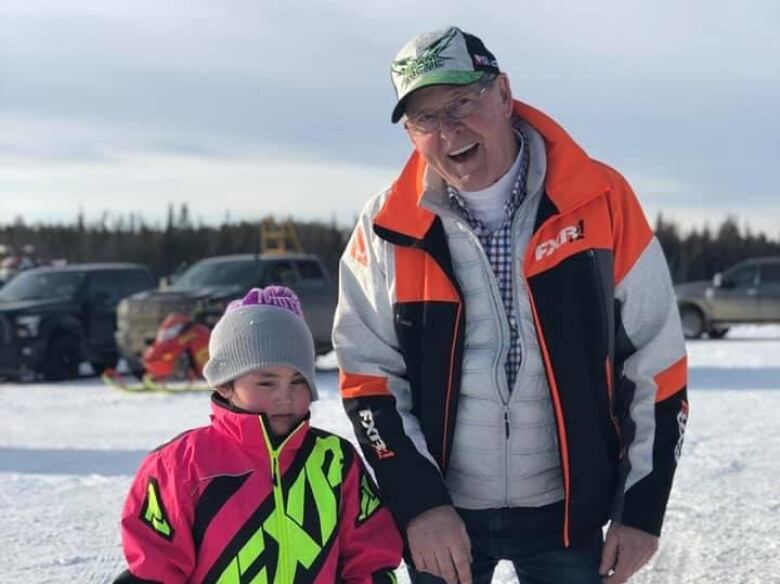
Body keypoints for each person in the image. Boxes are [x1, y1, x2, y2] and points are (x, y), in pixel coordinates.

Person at [333, 26, 688, 584]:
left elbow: (656, 363)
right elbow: (368, 379)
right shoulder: (386, 227)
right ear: (409, 133)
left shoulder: (599, 200)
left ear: (502, 94)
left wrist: (641, 510)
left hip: (565, 516)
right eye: (425, 118)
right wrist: (419, 503)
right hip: (443, 519)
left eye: (461, 103)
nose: (449, 130)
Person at [115, 286, 403, 583]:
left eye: (298, 381)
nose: (285, 396)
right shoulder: (181, 464)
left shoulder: (335, 460)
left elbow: (371, 555)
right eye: (266, 383)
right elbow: (155, 567)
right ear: (225, 385)